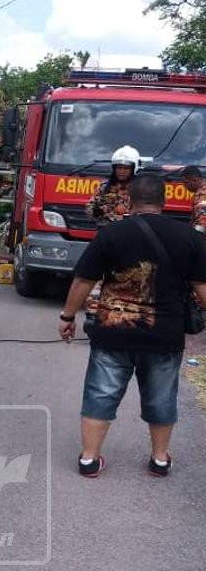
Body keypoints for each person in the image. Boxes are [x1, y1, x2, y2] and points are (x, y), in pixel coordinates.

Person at [59, 174, 206, 478]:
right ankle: (160, 459)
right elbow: (202, 289)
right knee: (162, 396)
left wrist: (67, 317)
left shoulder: (111, 234)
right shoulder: (188, 237)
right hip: (164, 337)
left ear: (129, 200)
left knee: (101, 393)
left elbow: (84, 280)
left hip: (113, 332)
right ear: (163, 202)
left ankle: (89, 459)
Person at [85, 145, 140, 225]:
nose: (121, 171)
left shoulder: (140, 188)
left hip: (131, 229)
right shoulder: (104, 187)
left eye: (126, 168)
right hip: (106, 230)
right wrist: (101, 210)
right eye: (119, 168)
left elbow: (146, 212)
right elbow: (89, 210)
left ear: (133, 169)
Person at [181, 165, 206, 233]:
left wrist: (195, 236)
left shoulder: (202, 195)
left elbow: (203, 223)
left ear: (195, 180)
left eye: (185, 182)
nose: (184, 186)